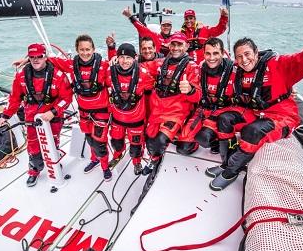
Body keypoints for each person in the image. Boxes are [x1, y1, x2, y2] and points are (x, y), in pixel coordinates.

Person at [209, 13, 303, 191]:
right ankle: (226, 161)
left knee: (252, 132)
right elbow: (214, 71)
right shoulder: (237, 71)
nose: (244, 60)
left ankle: (231, 171)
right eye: (239, 57)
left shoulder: (279, 66)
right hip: (254, 113)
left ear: (256, 52)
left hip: (281, 116)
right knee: (224, 120)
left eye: (247, 54)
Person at [0, 43, 73, 187]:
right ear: (28, 58)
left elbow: (67, 98)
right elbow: (14, 98)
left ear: (45, 57)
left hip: (52, 115)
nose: (36, 60)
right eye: (32, 57)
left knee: (53, 141)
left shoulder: (58, 75)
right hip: (32, 115)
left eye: (39, 56)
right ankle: (34, 170)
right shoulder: (21, 76)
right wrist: (6, 115)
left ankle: (54, 164)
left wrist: (53, 112)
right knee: (33, 144)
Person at [176, 37, 255, 161]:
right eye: (208, 53)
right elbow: (196, 97)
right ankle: (212, 137)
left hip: (226, 111)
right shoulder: (199, 71)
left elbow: (255, 65)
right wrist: (190, 91)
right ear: (204, 54)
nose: (211, 57)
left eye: (215, 53)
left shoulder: (236, 69)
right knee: (183, 148)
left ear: (223, 53)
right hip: (204, 110)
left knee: (204, 137)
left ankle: (220, 139)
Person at [47, 35, 113, 181]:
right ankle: (94, 160)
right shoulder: (71, 64)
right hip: (83, 111)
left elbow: (117, 67)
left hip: (101, 111)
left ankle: (105, 167)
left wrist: (112, 48)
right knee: (89, 139)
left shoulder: (103, 66)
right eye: (81, 50)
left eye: (88, 49)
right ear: (77, 50)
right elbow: (50, 60)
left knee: (100, 143)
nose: (85, 52)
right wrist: (26, 60)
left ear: (93, 49)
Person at [142, 32, 201, 175]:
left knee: (160, 140)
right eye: (173, 44)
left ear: (186, 46)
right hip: (158, 110)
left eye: (179, 45)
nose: (175, 48)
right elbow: (140, 67)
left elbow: (197, 97)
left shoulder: (192, 67)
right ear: (169, 46)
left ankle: (189, 140)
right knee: (149, 138)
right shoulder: (160, 63)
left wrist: (190, 90)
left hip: (176, 112)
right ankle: (155, 158)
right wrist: (117, 59)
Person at [106, 43, 155, 175]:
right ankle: (117, 156)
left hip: (136, 120)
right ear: (117, 58)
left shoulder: (144, 74)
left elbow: (152, 93)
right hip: (117, 118)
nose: (125, 61)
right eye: (121, 57)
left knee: (136, 147)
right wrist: (111, 48)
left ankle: (137, 162)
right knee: (116, 142)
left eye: (128, 57)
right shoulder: (109, 72)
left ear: (135, 58)